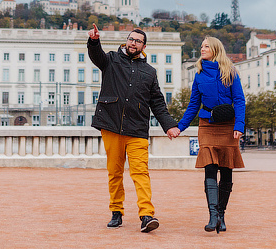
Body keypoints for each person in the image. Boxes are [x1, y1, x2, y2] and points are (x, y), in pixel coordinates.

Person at [88, 24, 179, 233]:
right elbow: (96, 56)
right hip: (111, 126)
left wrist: (169, 126)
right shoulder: (111, 60)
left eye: (138, 41)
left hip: (137, 128)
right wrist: (94, 41)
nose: (133, 43)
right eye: (131, 39)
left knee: (141, 172)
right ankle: (116, 212)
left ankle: (146, 215)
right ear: (126, 41)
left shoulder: (149, 72)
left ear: (143, 46)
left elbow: (157, 102)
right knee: (115, 172)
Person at [174, 36, 246, 233]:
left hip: (228, 125)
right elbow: (193, 105)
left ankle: (222, 214)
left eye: (206, 46)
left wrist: (239, 124)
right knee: (210, 168)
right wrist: (180, 126)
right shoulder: (199, 74)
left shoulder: (230, 72)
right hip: (206, 124)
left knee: (227, 169)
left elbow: (239, 100)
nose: (202, 48)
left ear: (215, 49)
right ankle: (212, 215)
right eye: (202, 45)